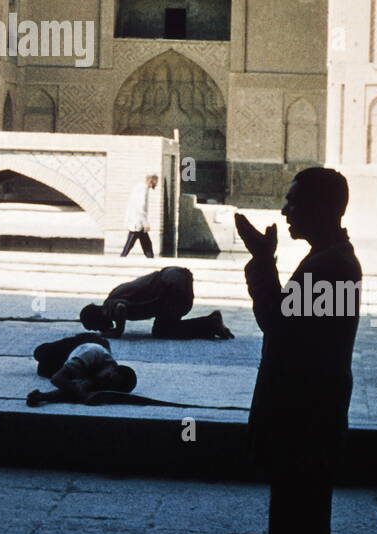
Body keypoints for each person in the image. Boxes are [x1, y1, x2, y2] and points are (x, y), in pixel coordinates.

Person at [231, 167, 362, 534]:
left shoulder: (331, 268)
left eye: (293, 202)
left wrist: (262, 265)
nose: (285, 212)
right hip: (309, 419)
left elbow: (279, 327)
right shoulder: (328, 261)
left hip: (304, 425)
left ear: (323, 208)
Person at [80, 266, 233, 340]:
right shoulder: (113, 294)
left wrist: (118, 331)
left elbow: (121, 308)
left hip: (169, 287)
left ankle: (211, 323)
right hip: (175, 277)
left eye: (95, 328)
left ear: (97, 319)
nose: (98, 330)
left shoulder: (109, 306)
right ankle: (210, 322)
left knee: (162, 332)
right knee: (164, 327)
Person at [26, 334, 137, 406]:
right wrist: (84, 396)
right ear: (113, 366)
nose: (104, 381)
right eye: (108, 377)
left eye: (109, 384)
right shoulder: (93, 352)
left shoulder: (106, 379)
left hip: (84, 357)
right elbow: (57, 378)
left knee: (49, 371)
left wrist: (43, 397)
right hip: (86, 344)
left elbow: (72, 389)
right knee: (40, 354)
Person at [121, 174, 157, 257]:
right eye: (155, 182)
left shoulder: (139, 187)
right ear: (151, 181)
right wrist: (145, 223)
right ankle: (122, 258)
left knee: (146, 243)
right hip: (137, 222)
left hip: (136, 221)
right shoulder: (143, 189)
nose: (156, 185)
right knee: (131, 243)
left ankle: (150, 258)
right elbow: (141, 208)